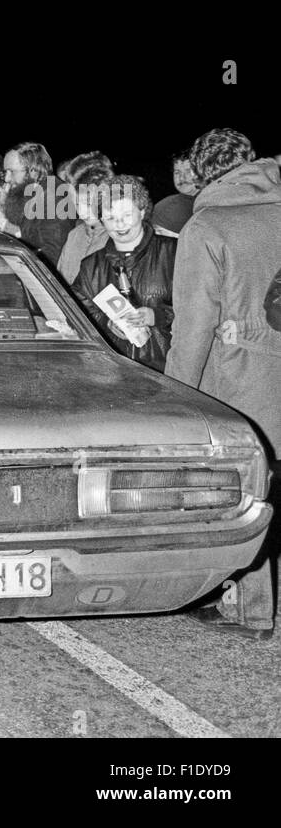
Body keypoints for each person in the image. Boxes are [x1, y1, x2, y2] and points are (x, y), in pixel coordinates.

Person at [166, 128, 281, 641]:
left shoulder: (206, 228)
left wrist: (172, 400)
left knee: (247, 490)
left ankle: (252, 612)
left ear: (201, 172)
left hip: (238, 382)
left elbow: (191, 329)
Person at [71, 175, 175, 370]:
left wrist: (158, 316)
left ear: (143, 211)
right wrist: (106, 323)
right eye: (110, 217)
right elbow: (77, 313)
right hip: (114, 370)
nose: (119, 225)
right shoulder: (90, 266)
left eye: (126, 215)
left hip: (166, 368)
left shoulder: (174, 253)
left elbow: (197, 309)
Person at [2, 142, 73, 267]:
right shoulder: (31, 193)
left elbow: (52, 256)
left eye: (12, 171)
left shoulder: (54, 199)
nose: (7, 178)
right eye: (5, 172)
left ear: (33, 171)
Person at [56, 165, 116, 284]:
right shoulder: (75, 235)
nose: (83, 212)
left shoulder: (119, 237)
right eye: (77, 204)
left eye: (89, 204)